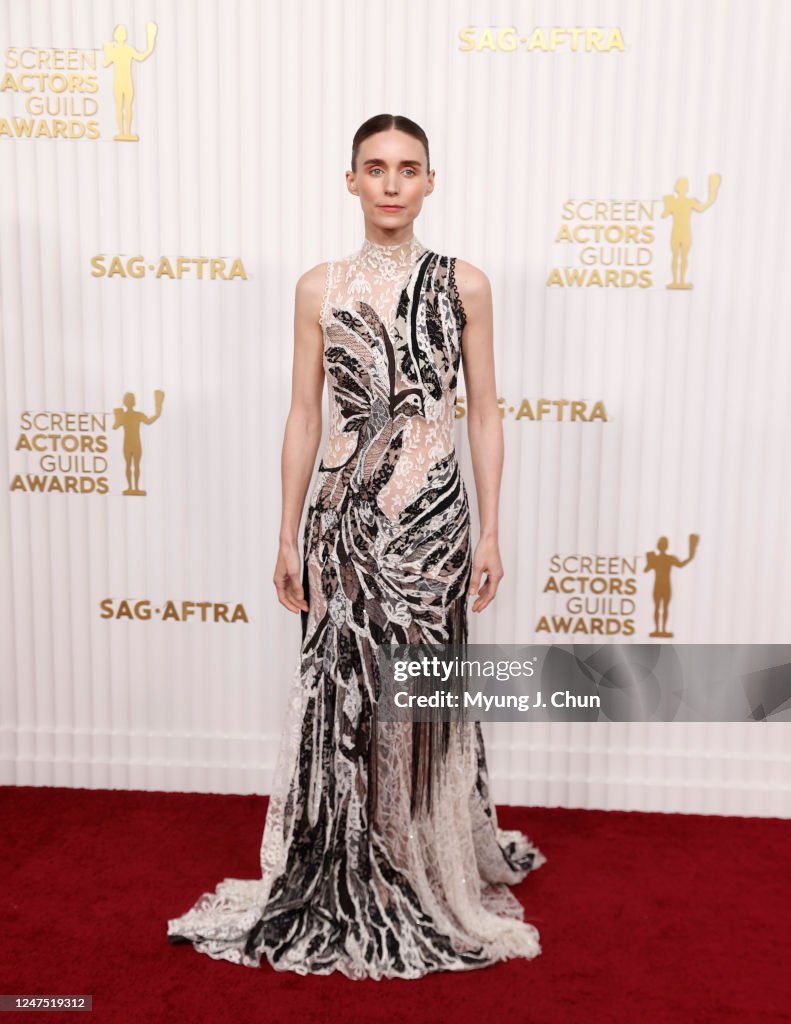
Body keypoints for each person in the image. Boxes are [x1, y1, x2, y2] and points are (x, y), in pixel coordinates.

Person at [167, 113, 546, 980]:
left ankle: (423, 860)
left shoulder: (465, 285)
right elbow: (304, 415)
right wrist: (286, 531)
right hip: (342, 522)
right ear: (349, 181)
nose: (389, 182)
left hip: (435, 523)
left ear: (429, 181)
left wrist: (490, 528)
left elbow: (482, 412)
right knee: (343, 694)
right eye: (373, 167)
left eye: (406, 168)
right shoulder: (317, 288)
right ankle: (346, 855)